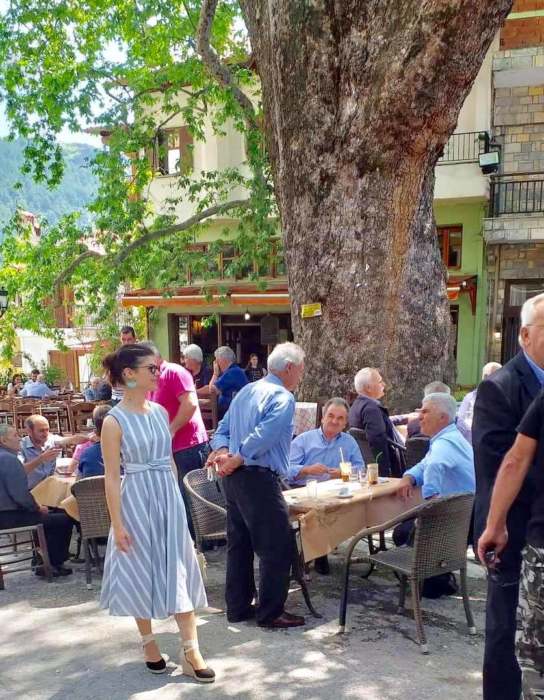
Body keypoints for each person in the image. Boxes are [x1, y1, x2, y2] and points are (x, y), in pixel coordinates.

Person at [99, 343, 214, 682]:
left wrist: (177, 502)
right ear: (129, 374)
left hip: (167, 496)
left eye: (158, 367)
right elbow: (111, 476)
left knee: (180, 566)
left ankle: (191, 650)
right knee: (140, 569)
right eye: (151, 368)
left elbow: (169, 461)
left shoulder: (162, 413)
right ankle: (148, 643)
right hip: (136, 498)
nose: (158, 373)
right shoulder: (113, 421)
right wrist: (118, 523)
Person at [473, 292, 544, 700]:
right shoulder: (500, 387)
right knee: (505, 630)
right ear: (525, 335)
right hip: (512, 530)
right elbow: (500, 465)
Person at [208, 341, 306, 629]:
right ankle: (270, 612)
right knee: (277, 544)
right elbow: (265, 435)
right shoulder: (282, 396)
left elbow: (222, 429)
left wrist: (224, 452)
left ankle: (238, 607)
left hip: (236, 478)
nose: (300, 376)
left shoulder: (247, 391)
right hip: (257, 476)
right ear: (289, 368)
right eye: (300, 370)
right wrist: (235, 457)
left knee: (239, 545)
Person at [392, 393, 475, 597]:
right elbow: (425, 464)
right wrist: (409, 477)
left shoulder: (445, 443)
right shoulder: (448, 437)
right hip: (463, 519)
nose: (419, 416)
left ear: (443, 418)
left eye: (425, 411)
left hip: (455, 523)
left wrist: (428, 503)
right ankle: (438, 575)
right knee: (405, 529)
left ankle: (434, 576)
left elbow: (434, 467)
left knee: (401, 533)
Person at [141, 341, 209, 540]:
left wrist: (171, 430)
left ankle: (197, 544)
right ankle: (186, 541)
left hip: (188, 445)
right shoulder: (150, 379)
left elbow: (190, 404)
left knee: (190, 498)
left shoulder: (173, 372)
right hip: (168, 449)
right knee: (176, 497)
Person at [0, 424, 73, 577]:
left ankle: (43, 558)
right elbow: (20, 495)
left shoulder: (6, 457)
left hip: (7, 514)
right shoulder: (8, 459)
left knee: (52, 514)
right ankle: (53, 562)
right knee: (64, 518)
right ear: (3, 440)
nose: (19, 439)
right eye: (15, 435)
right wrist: (37, 507)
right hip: (9, 516)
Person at [288, 397, 364, 487]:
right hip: (308, 490)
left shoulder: (350, 442)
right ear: (323, 418)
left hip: (340, 490)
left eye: (340, 418)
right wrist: (307, 470)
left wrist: (343, 472)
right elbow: (285, 471)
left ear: (345, 424)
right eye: (331, 416)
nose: (334, 421)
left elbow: (361, 469)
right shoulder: (303, 440)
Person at [349, 367, 404, 477]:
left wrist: (404, 418)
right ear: (368, 388)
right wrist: (384, 473)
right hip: (388, 469)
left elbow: (381, 422)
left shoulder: (357, 406)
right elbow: (377, 440)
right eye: (380, 381)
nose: (384, 384)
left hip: (367, 463)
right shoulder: (372, 409)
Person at [20, 415, 87, 489]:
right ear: (29, 431)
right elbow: (19, 470)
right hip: (29, 490)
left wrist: (88, 438)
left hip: (50, 489)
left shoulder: (51, 440)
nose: (45, 434)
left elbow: (70, 440)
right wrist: (41, 459)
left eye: (47, 430)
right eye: (41, 431)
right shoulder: (20, 446)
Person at [457, 362, 502, 444]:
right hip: (470, 441)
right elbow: (460, 421)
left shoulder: (507, 399)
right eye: (486, 376)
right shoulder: (471, 397)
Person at [209, 346, 248, 419]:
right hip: (231, 413)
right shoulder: (233, 371)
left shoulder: (232, 372)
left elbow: (212, 389)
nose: (216, 363)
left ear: (223, 360)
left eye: (217, 360)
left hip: (232, 416)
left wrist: (215, 374)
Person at [78, 405, 111, 478]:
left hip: (91, 485)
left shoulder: (86, 453)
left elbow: (78, 482)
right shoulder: (126, 453)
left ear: (95, 431)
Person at [111, 325, 138, 406]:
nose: (126, 343)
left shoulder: (140, 356)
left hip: (135, 398)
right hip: (118, 399)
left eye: (129, 339)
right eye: (123, 340)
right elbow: (111, 380)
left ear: (134, 339)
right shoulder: (115, 356)